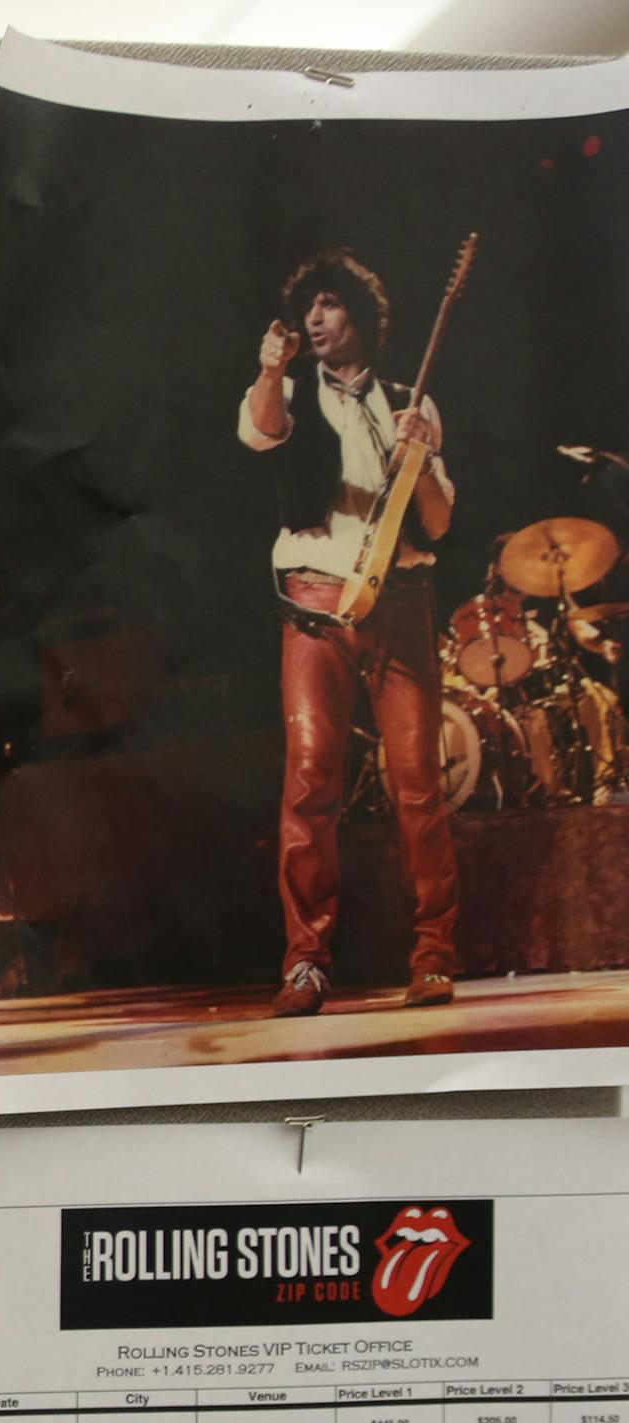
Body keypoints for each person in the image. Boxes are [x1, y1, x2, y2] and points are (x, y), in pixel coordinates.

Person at [238, 248, 459, 1015]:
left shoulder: (412, 402)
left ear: (361, 316)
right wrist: (270, 370)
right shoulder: (289, 391)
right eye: (308, 310)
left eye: (328, 306)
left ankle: (433, 955)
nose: (315, 320)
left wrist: (422, 461)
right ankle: (306, 962)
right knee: (309, 782)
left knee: (419, 786)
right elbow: (261, 435)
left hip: (401, 602)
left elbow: (437, 520)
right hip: (315, 605)